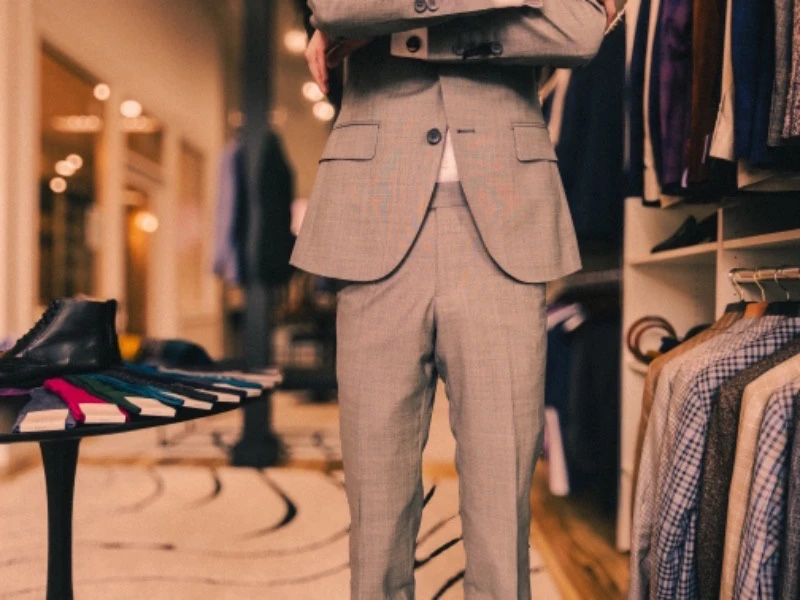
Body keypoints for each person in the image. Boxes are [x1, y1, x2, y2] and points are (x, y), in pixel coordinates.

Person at [291, 2, 616, 598]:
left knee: (501, 510)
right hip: (374, 220)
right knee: (377, 504)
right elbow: (338, 6)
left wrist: (401, 33)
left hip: (505, 224)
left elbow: (578, 29)